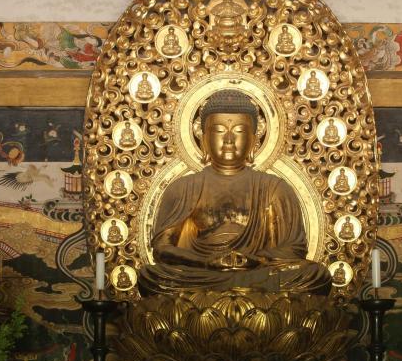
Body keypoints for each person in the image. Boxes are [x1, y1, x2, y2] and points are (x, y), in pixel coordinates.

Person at [140, 90, 329, 295]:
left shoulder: (274, 188)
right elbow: (162, 249)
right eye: (219, 130)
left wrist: (254, 260)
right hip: (201, 275)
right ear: (204, 139)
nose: (229, 139)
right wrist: (206, 262)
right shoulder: (182, 188)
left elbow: (295, 249)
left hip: (257, 274)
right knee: (151, 276)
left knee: (315, 275)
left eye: (239, 131)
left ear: (254, 140)